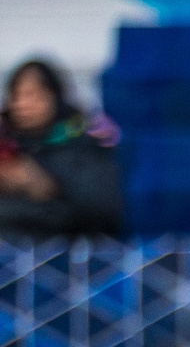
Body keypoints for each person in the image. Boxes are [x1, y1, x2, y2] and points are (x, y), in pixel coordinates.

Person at [0, 59, 125, 241]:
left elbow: (101, 212)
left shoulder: (86, 144)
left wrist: (47, 187)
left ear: (56, 96)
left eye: (33, 95)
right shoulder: (9, 149)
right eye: (16, 95)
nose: (22, 104)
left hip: (69, 260)